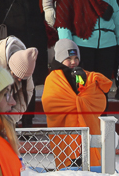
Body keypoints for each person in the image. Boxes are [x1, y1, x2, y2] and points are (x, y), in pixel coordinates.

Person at [41, 39, 112, 169]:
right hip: (65, 134)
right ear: (60, 59)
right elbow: (50, 104)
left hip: (87, 133)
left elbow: (97, 100)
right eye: (69, 58)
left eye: (76, 58)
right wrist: (77, 102)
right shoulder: (53, 79)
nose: (73, 62)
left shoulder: (85, 75)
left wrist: (82, 82)